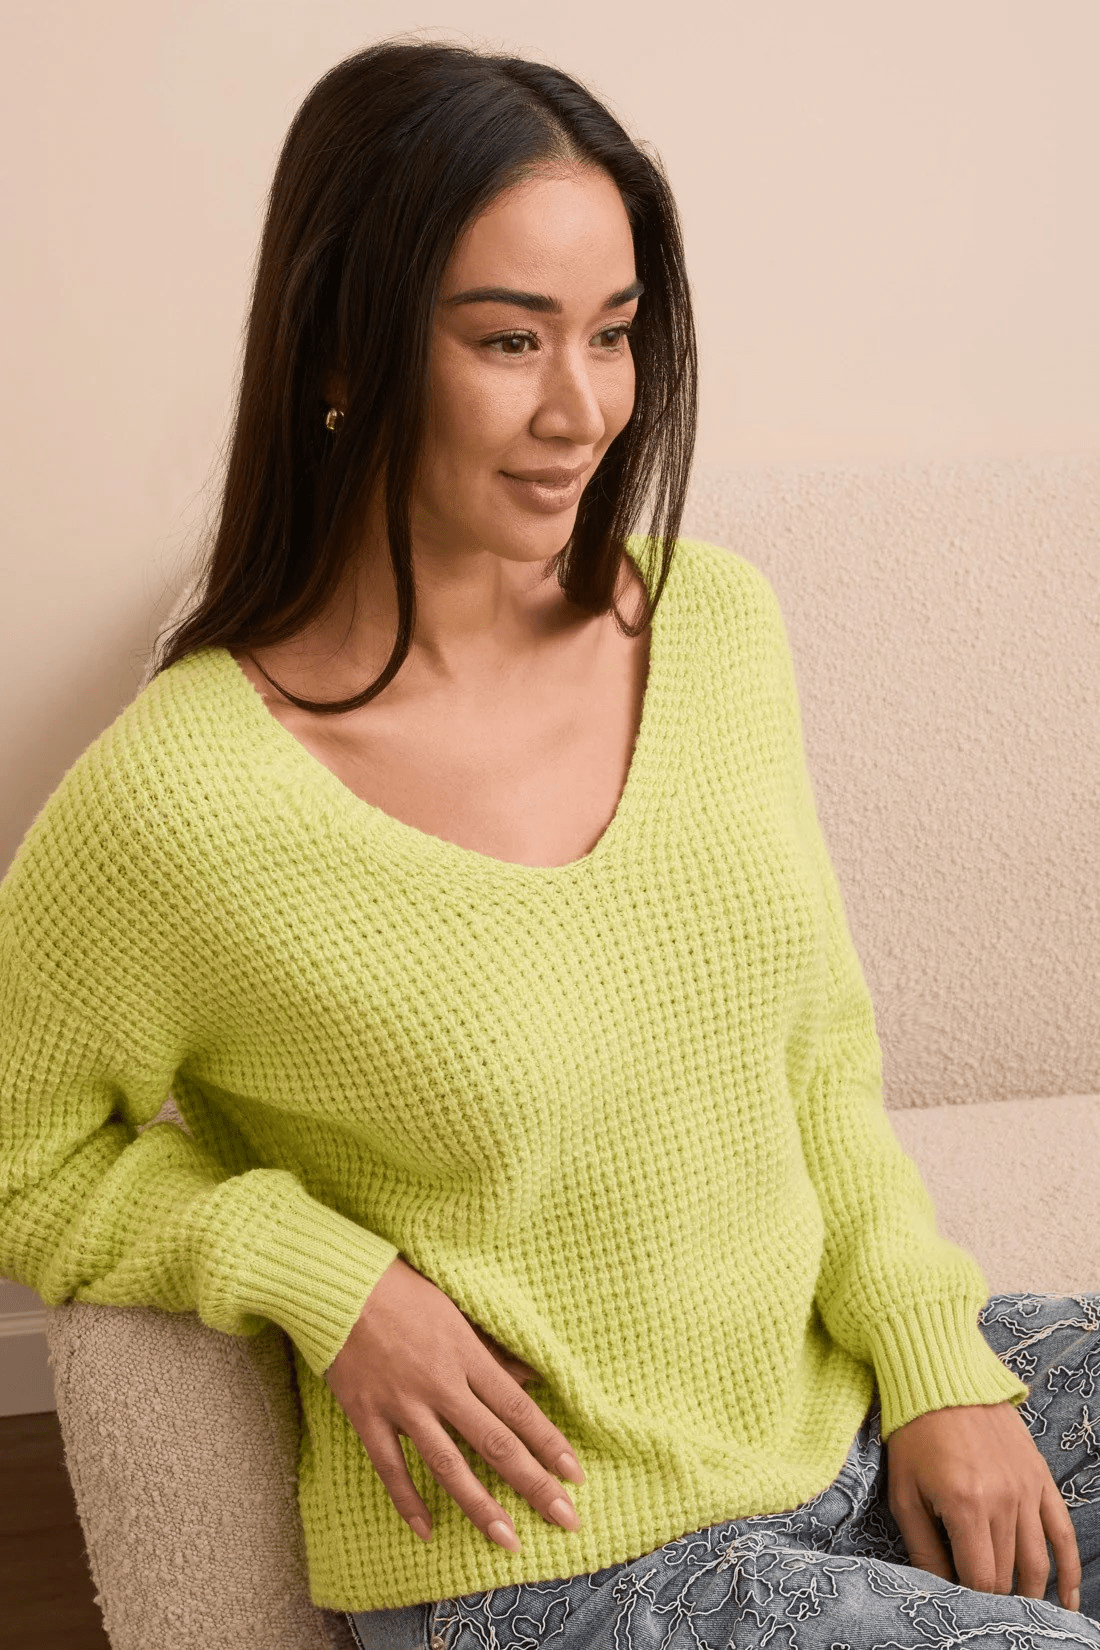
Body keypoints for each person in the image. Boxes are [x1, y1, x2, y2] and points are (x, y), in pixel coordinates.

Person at [1, 36, 1097, 1650]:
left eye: (615, 332)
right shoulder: (184, 799)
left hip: (829, 1405)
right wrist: (316, 1274)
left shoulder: (713, 626)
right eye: (509, 339)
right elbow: (21, 1150)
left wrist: (935, 1362)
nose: (581, 409)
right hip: (558, 1564)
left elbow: (814, 1058)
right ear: (345, 347)